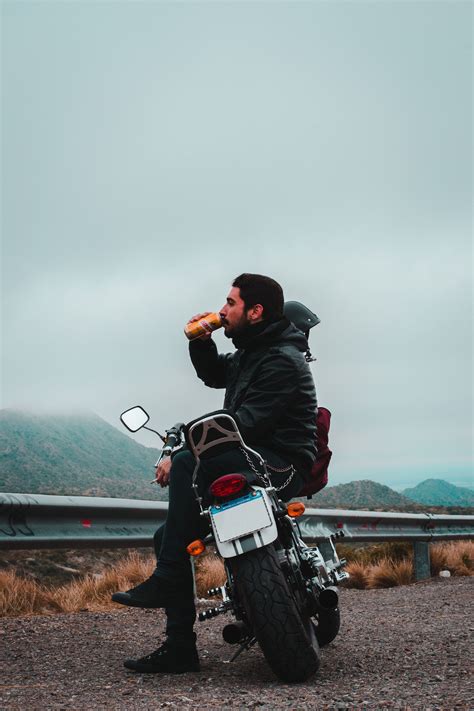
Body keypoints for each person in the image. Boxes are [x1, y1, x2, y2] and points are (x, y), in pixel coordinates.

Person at [112, 273, 318, 674]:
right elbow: (213, 375)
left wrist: (181, 449)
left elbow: (247, 423)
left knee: (190, 463)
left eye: (231, 303)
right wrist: (200, 343)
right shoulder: (253, 352)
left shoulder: (281, 360)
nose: (222, 311)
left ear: (255, 312)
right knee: (166, 534)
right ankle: (179, 646)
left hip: (281, 464)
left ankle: (168, 576)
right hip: (248, 455)